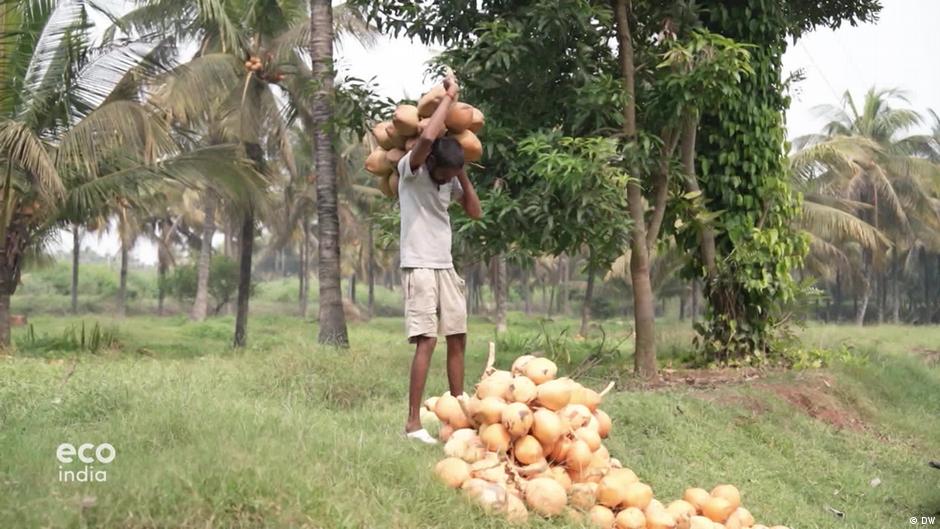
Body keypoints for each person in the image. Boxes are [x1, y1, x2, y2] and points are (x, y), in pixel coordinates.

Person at [398, 73, 483, 443]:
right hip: (418, 264)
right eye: (444, 172)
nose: (445, 178)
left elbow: (476, 212)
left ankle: (456, 411)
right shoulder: (411, 172)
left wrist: (461, 172)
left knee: (458, 336)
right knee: (426, 341)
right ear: (429, 162)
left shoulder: (449, 178)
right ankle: (413, 424)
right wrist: (449, 96)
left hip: (445, 265)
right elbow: (429, 137)